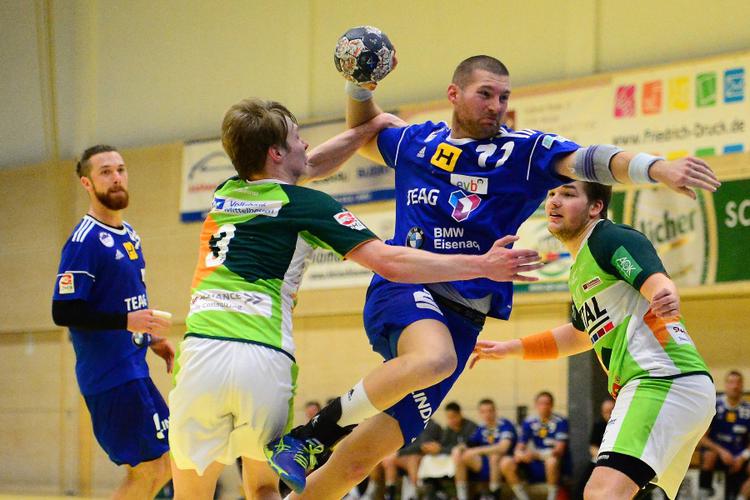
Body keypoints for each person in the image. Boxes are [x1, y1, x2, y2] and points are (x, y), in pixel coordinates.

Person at [268, 54, 720, 499]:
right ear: (453, 94)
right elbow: (365, 131)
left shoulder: (522, 153)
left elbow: (594, 160)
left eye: (504, 97)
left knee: (360, 461)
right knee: (435, 359)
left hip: (465, 319)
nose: (496, 106)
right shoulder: (418, 142)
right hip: (410, 285)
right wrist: (359, 88)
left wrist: (657, 168)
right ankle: (312, 434)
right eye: (485, 94)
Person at [168, 97, 547, 500]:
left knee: (190, 495)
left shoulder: (226, 193)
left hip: (200, 354)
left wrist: (369, 127)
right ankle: (319, 433)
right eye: (297, 138)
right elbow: (391, 262)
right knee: (262, 488)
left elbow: (309, 166)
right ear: (276, 153)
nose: (306, 145)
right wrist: (482, 264)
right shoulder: (308, 205)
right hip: (262, 356)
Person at [471, 180, 716, 499]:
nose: (554, 201)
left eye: (568, 194)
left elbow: (655, 279)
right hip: (669, 385)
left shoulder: (608, 238)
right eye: (551, 194)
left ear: (596, 207)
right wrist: (510, 348)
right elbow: (578, 335)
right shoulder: (579, 268)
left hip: (662, 379)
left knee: (601, 492)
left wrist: (664, 292)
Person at [52, 145, 175, 499]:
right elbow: (64, 312)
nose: (117, 177)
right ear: (87, 183)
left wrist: (150, 337)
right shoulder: (85, 241)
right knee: (149, 468)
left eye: (120, 169)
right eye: (105, 172)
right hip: (111, 377)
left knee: (166, 462)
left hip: (134, 370)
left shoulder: (129, 234)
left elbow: (127, 299)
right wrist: (126, 321)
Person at [500, 392, 568, 500]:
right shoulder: (529, 421)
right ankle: (522, 497)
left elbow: (559, 450)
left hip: (551, 461)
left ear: (552, 405)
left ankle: (552, 497)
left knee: (552, 461)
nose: (544, 406)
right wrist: (520, 454)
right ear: (536, 405)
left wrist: (535, 454)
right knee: (505, 462)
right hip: (532, 462)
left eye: (547, 403)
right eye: (541, 403)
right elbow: (520, 446)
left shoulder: (560, 421)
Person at [700, 370, 750, 499]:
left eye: (738, 383)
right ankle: (703, 494)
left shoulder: (748, 409)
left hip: (739, 456)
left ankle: (741, 497)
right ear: (725, 385)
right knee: (709, 455)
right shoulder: (714, 406)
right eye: (731, 382)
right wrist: (721, 452)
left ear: (742, 386)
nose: (735, 386)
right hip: (718, 454)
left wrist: (743, 457)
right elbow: (701, 438)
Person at [454, 398, 517, 500]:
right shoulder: (481, 427)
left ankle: (494, 495)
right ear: (480, 413)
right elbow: (469, 444)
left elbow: (503, 447)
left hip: (503, 464)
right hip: (484, 465)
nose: (487, 414)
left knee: (494, 456)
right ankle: (462, 497)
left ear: (495, 411)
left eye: (490, 411)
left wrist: (476, 451)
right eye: (483, 412)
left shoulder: (505, 424)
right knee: (460, 454)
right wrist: (459, 448)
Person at [575, 399, 615, 498]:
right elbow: (592, 447)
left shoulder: (622, 425)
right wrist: (602, 458)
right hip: (601, 459)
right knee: (581, 488)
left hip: (617, 461)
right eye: (606, 412)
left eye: (611, 411)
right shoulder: (598, 425)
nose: (609, 414)